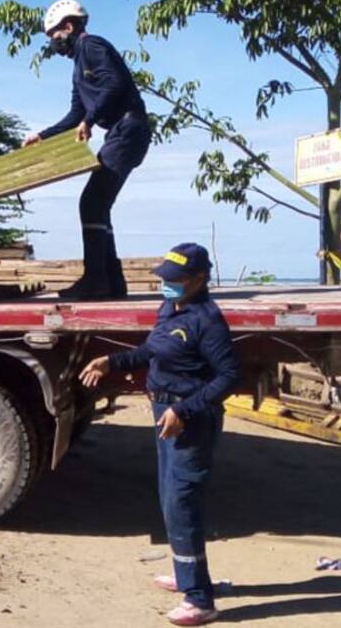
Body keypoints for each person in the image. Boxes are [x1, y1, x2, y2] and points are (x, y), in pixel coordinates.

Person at [79, 243, 241, 626]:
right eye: (163, 278)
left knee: (182, 500)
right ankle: (188, 577)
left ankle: (200, 599)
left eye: (174, 280)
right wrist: (110, 362)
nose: (165, 285)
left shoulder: (207, 320)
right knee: (170, 499)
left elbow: (229, 376)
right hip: (164, 413)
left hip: (189, 419)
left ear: (199, 280)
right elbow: (151, 351)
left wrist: (184, 411)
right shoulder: (171, 309)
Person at [23, 0, 151, 299]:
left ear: (68, 27)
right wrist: (44, 135)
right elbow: (75, 114)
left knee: (92, 202)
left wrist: (91, 120)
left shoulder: (92, 46)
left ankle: (97, 280)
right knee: (97, 203)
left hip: (129, 128)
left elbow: (115, 84)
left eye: (54, 36)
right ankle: (111, 282)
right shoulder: (78, 69)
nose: (54, 43)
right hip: (121, 131)